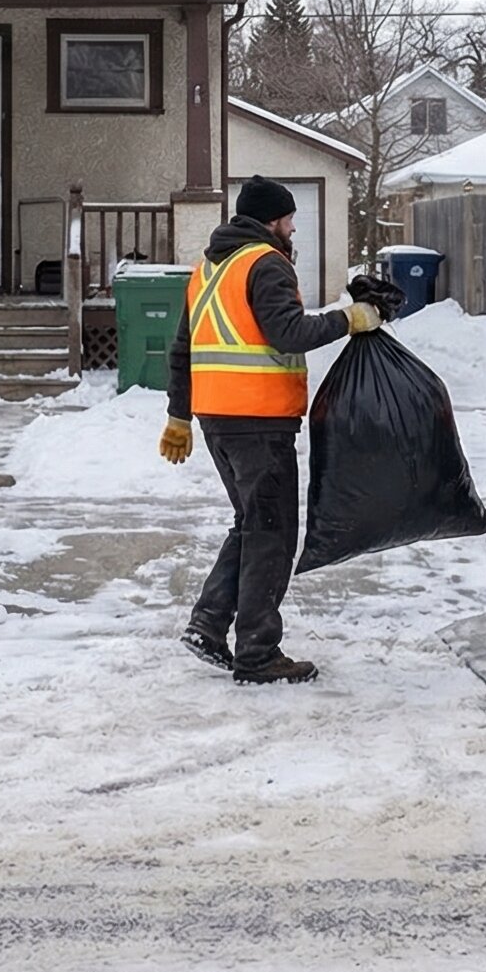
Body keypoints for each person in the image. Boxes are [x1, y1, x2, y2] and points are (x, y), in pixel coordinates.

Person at [159, 176, 387, 685]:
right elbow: (289, 332)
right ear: (270, 221)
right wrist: (351, 319)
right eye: (288, 219)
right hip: (257, 420)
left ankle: (210, 624)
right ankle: (258, 653)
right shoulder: (266, 263)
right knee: (272, 536)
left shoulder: (208, 271)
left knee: (252, 524)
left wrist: (179, 415)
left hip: (218, 419)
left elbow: (182, 350)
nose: (292, 228)